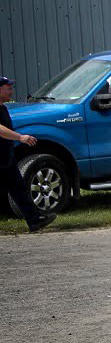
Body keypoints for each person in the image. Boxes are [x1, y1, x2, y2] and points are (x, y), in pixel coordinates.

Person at [0, 75, 55, 233]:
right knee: (17, 188)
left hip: (6, 158)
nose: (11, 91)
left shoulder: (3, 107)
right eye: (8, 88)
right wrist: (20, 137)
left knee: (18, 188)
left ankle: (34, 221)